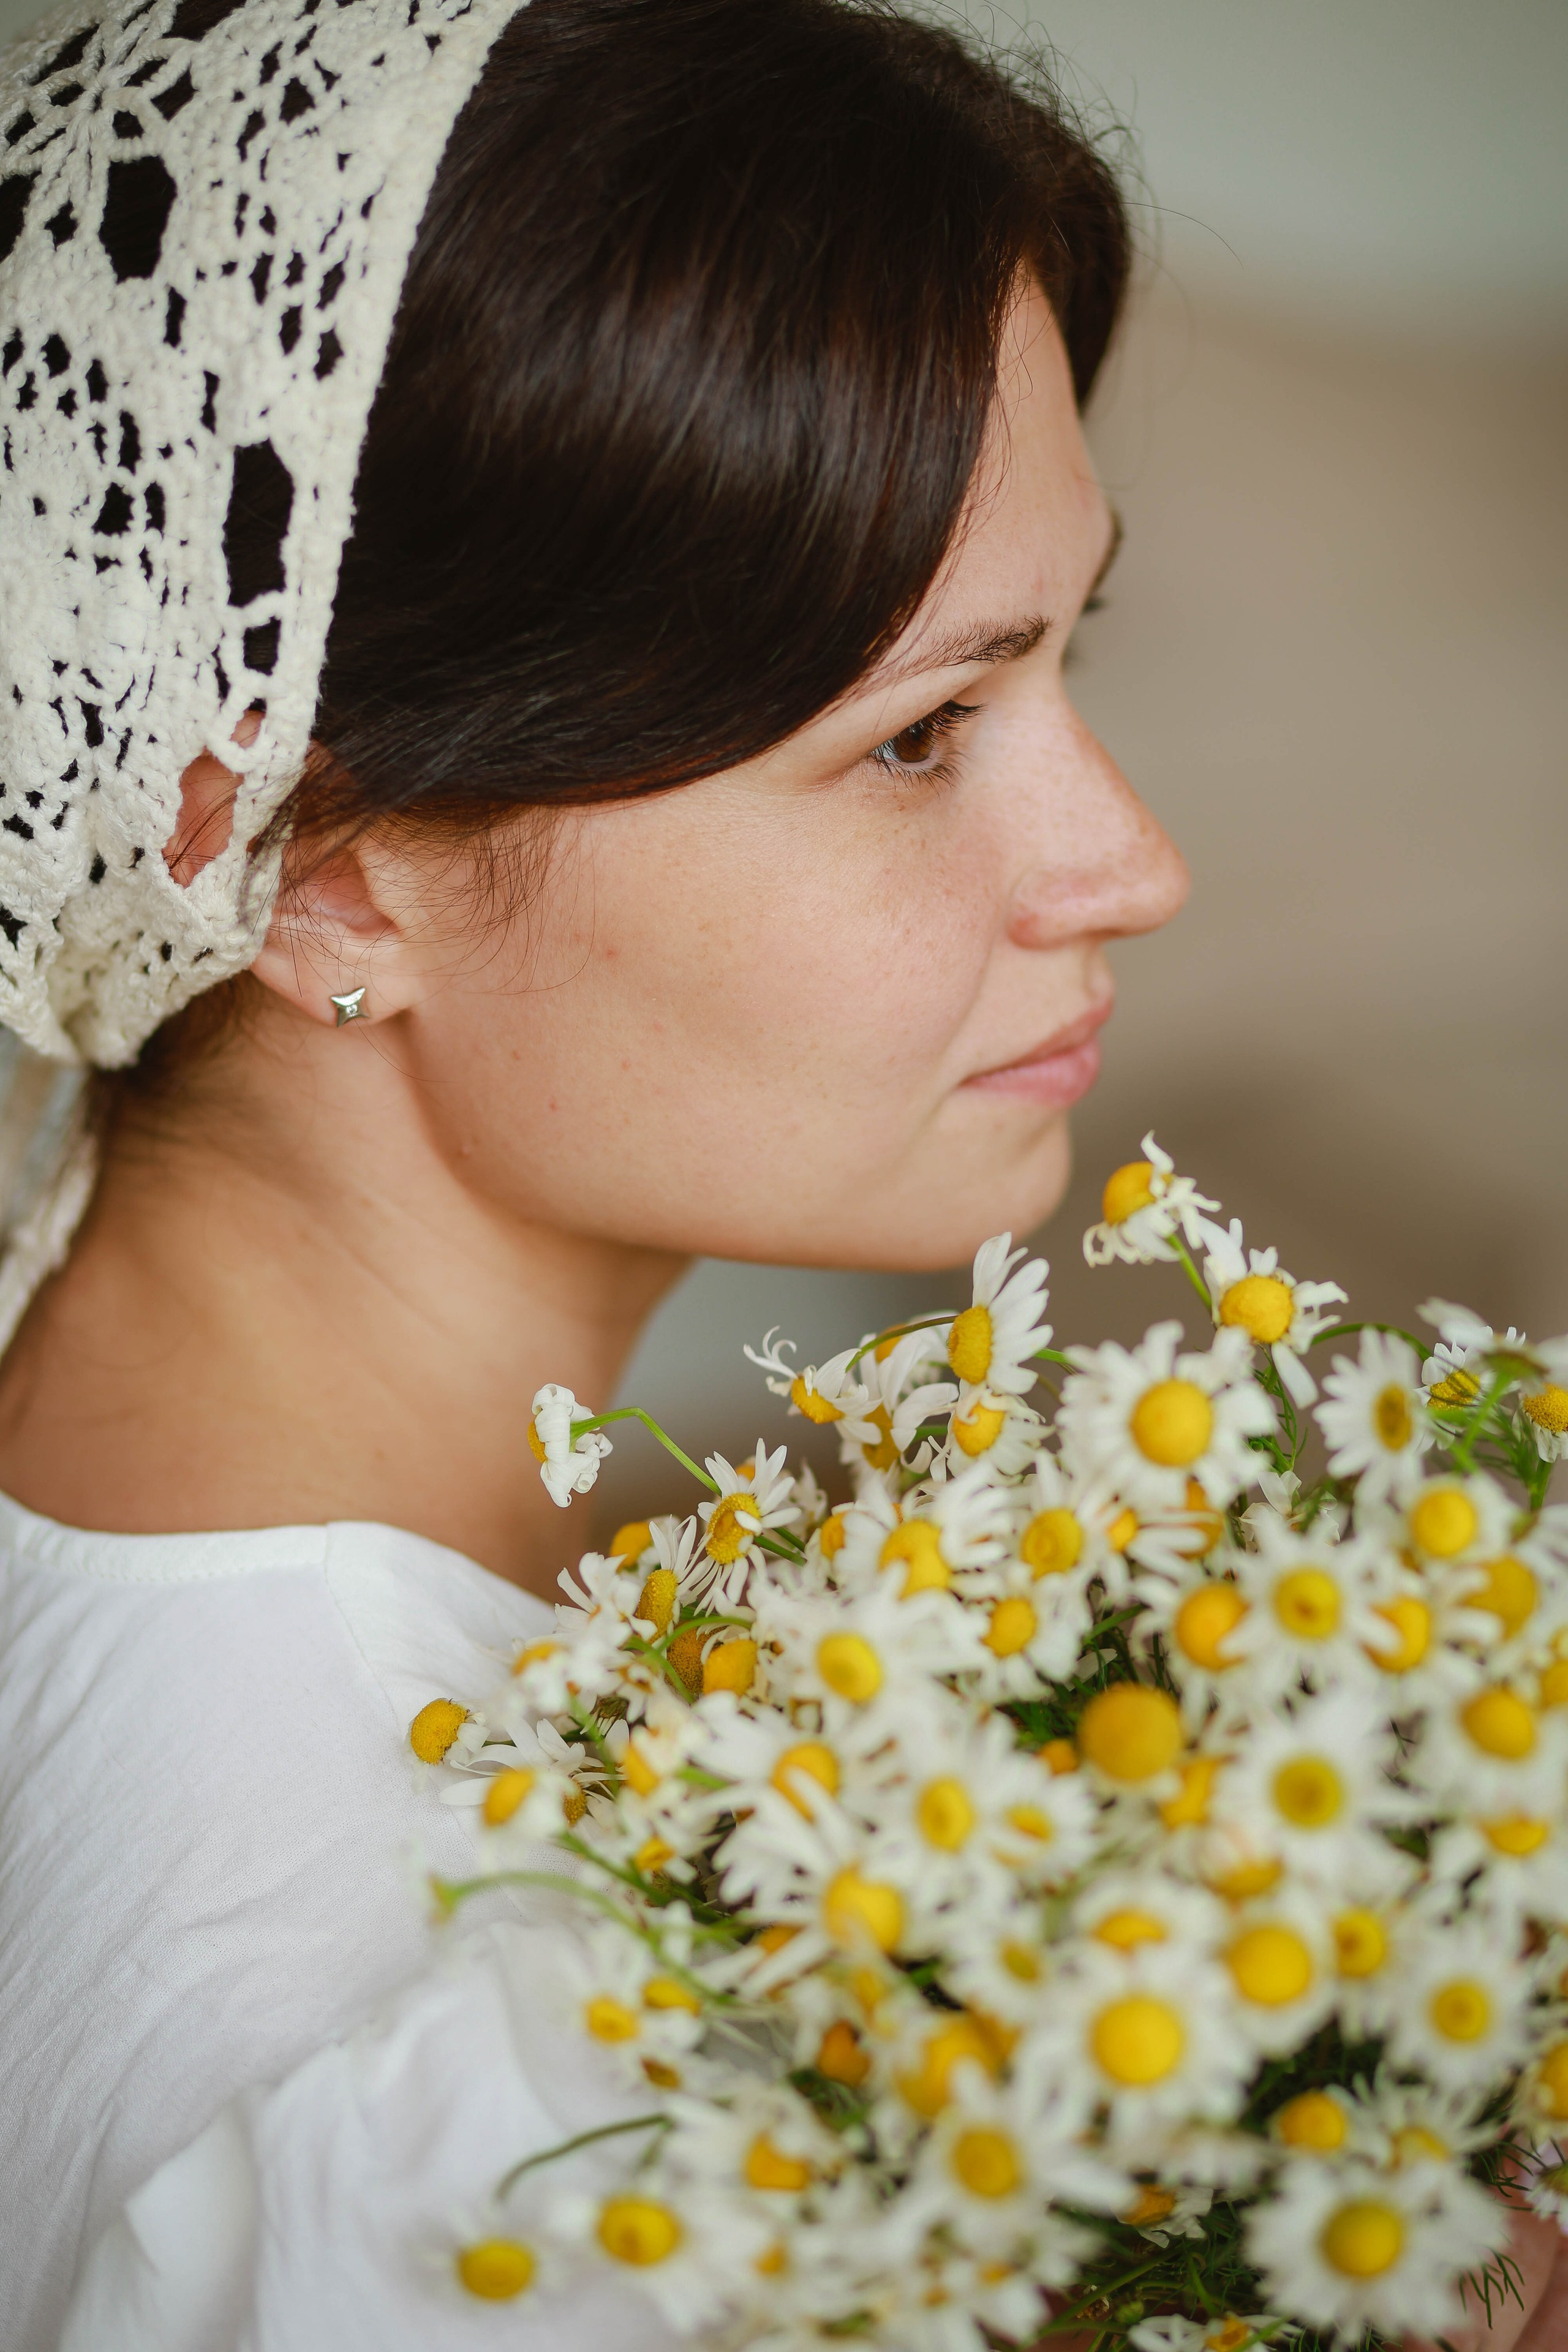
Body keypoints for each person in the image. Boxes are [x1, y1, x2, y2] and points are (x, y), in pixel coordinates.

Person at [0, 0, 1557, 2346]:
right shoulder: (485, 2141)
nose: (1130, 863)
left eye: (1069, 653)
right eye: (919, 732)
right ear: (318, 870)